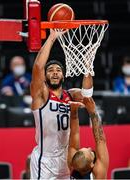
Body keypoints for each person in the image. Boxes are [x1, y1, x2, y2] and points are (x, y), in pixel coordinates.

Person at [30, 29, 93, 179]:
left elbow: (88, 95)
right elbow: (38, 68)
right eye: (50, 70)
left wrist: (87, 69)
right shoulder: (42, 95)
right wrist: (51, 38)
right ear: (45, 77)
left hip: (65, 158)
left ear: (63, 75)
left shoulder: (71, 94)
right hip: (44, 160)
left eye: (58, 70)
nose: (55, 72)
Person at [68, 97, 109, 179]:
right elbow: (100, 140)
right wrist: (93, 111)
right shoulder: (97, 174)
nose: (90, 148)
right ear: (91, 165)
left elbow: (74, 137)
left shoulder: (73, 166)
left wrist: (73, 112)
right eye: (91, 153)